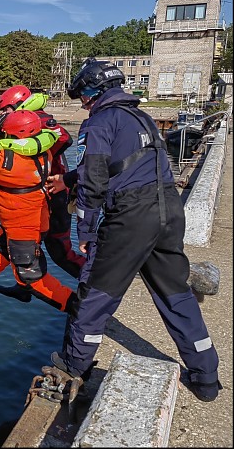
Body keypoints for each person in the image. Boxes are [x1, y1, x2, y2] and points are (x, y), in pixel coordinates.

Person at [46, 58, 221, 402]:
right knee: (176, 294)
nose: (82, 102)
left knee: (95, 294)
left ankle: (72, 366)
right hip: (169, 209)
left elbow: (95, 180)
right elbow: (125, 162)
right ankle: (206, 379)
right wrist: (66, 178)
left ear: (92, 92)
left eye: (82, 95)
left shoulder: (98, 123)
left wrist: (85, 230)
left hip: (130, 215)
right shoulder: (141, 118)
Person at [0, 109, 77, 313]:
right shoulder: (44, 150)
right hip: (34, 217)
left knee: (32, 277)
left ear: (14, 136)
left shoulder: (6, 160)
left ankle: (78, 307)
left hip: (22, 226)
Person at [0, 89, 85, 303]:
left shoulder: (39, 119)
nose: (4, 114)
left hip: (54, 193)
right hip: (39, 195)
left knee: (59, 250)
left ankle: (96, 286)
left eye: (6, 109)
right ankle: (24, 286)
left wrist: (38, 153)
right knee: (24, 244)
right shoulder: (23, 120)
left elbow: (65, 139)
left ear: (18, 104)